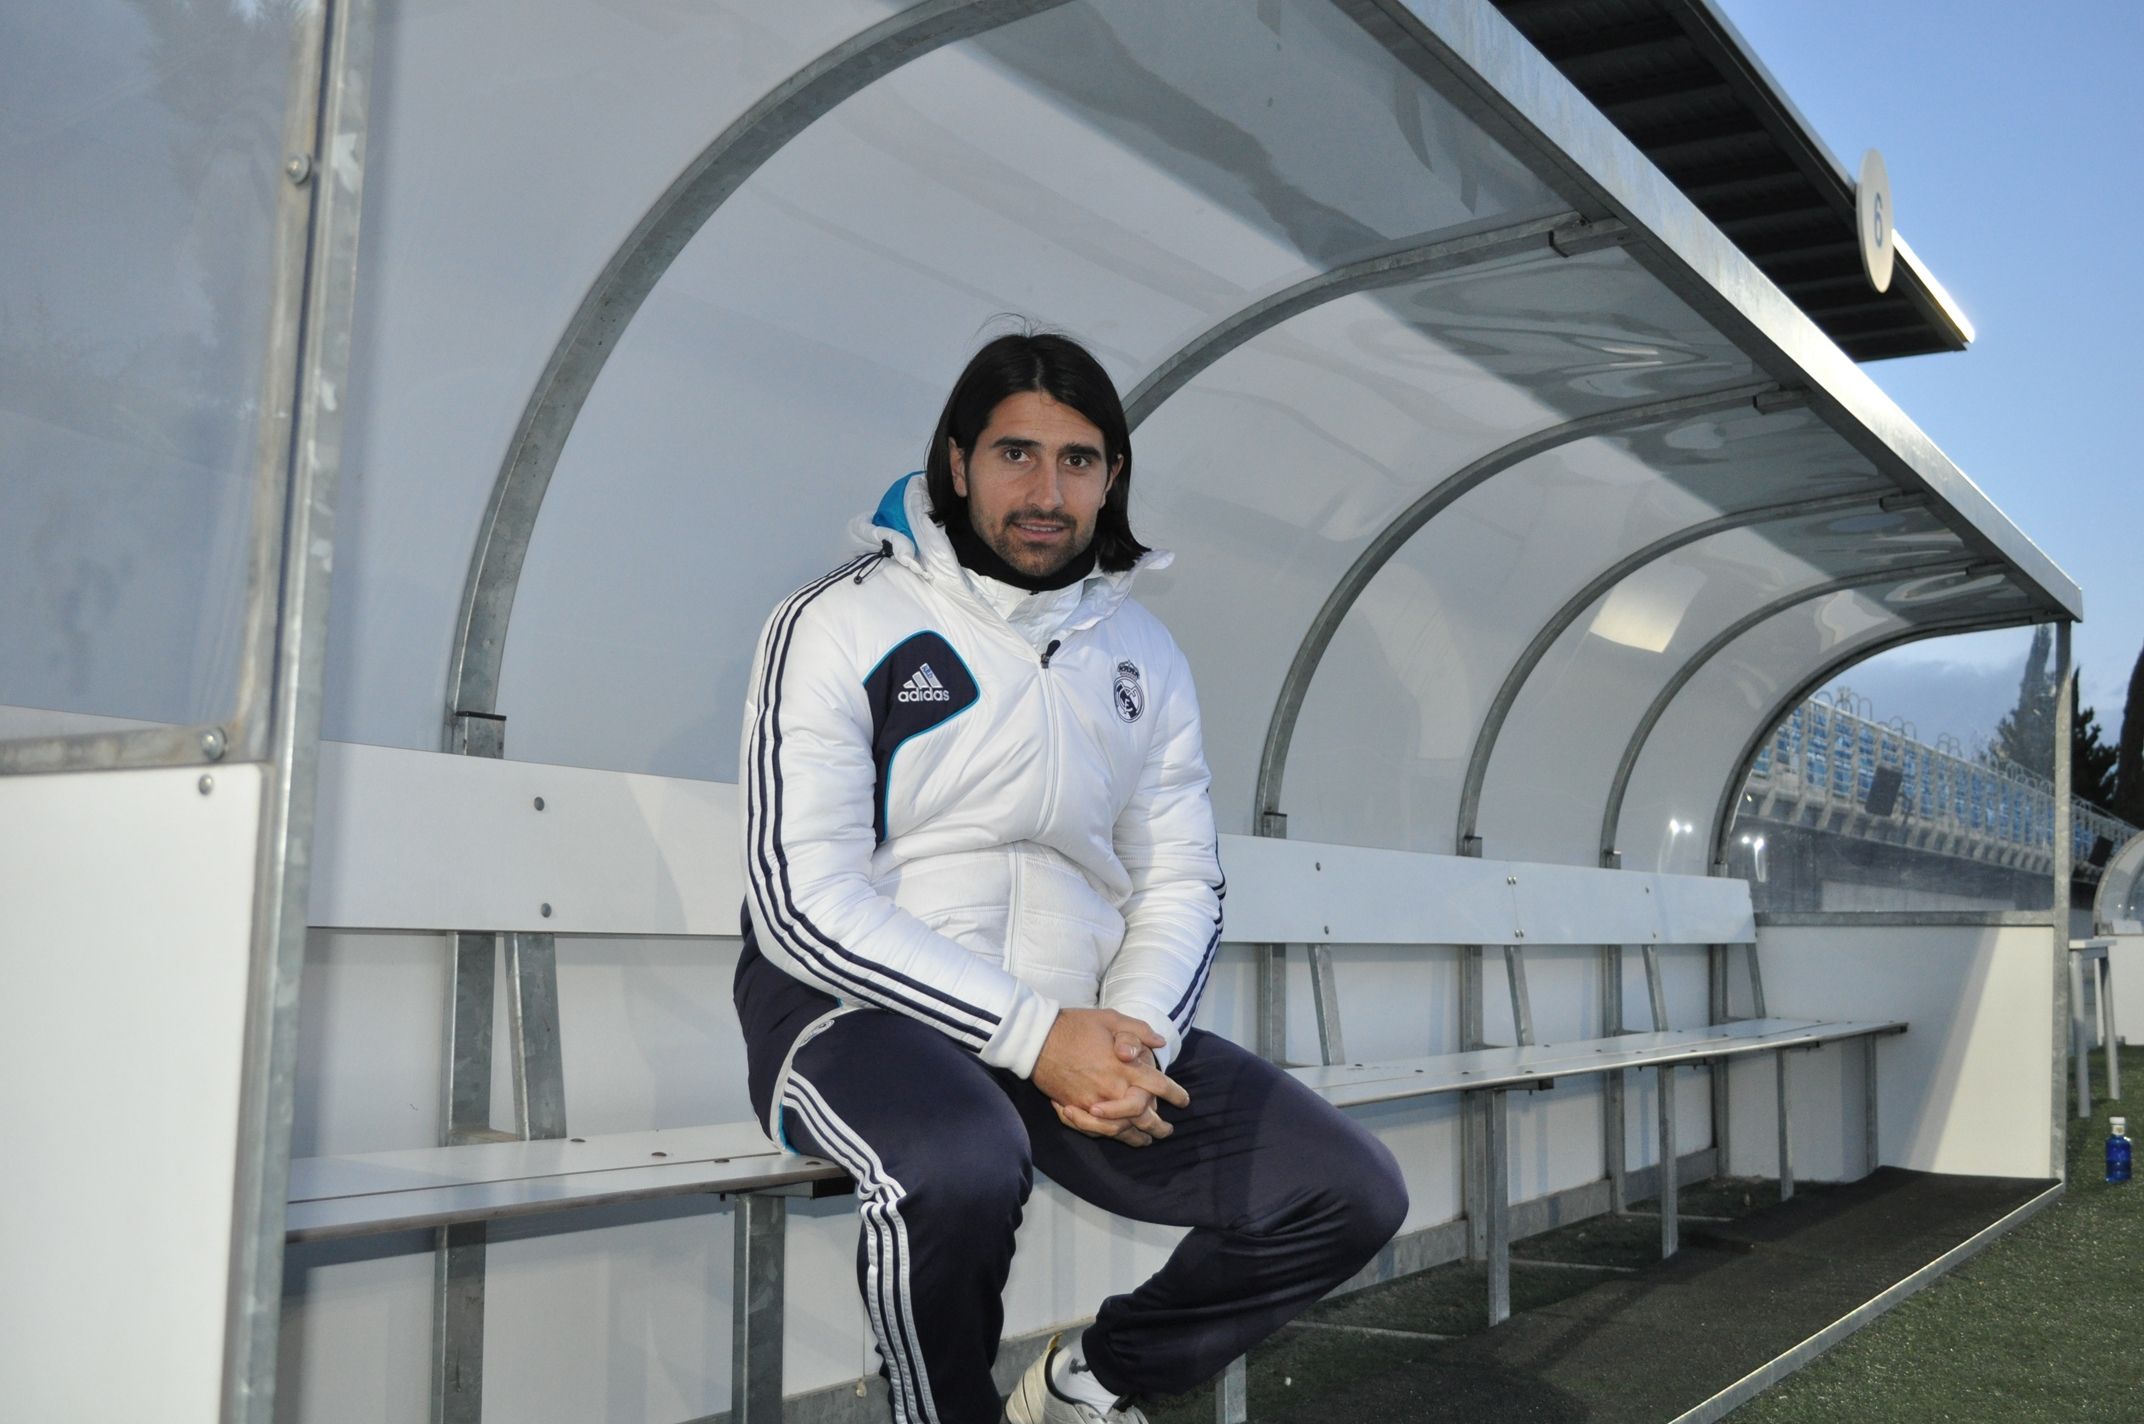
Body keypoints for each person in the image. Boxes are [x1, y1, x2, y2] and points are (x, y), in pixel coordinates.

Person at [733, 331, 1407, 1424]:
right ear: (956, 463)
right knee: (955, 1158)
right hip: (856, 1013)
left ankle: (1090, 1382)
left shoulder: (1142, 652)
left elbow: (1181, 874)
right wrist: (1033, 1035)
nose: (1047, 491)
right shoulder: (835, 619)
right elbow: (799, 899)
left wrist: (1126, 1032)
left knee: (1346, 1190)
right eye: (1015, 454)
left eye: (1079, 460)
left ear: (1111, 475)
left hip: (1079, 1020)